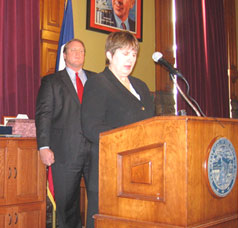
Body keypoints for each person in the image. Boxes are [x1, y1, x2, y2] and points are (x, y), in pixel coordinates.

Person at [81, 31, 155, 228]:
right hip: (110, 169)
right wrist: (129, 141)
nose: (130, 59)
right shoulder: (98, 83)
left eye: (133, 54)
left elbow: (153, 124)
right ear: (109, 55)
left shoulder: (141, 86)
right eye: (124, 53)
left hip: (142, 169)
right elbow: (91, 127)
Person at [35, 38, 96, 228]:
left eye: (82, 51)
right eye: (73, 50)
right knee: (67, 205)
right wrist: (44, 146)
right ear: (64, 55)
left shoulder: (97, 80)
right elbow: (43, 114)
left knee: (98, 202)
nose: (78, 54)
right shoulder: (51, 81)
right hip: (65, 152)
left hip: (95, 152)